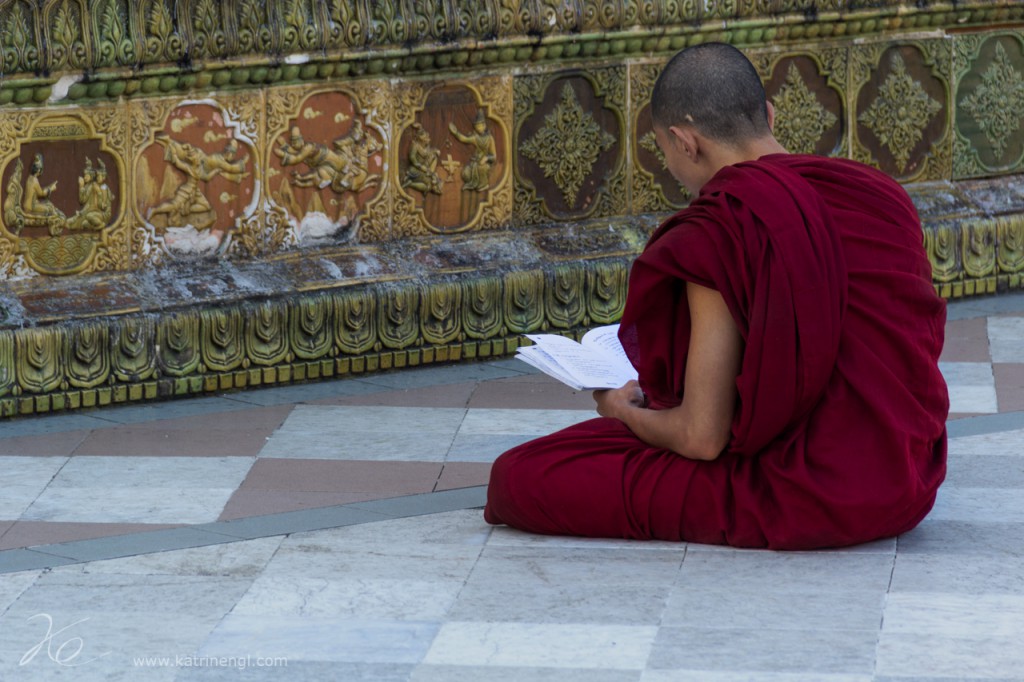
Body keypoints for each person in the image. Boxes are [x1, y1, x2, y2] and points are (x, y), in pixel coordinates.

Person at [484, 43, 949, 550]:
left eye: (665, 151)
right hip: (908, 479)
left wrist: (621, 410)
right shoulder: (879, 194)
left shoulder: (723, 226)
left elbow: (702, 439)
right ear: (768, 114)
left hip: (811, 494)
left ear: (686, 142)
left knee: (519, 476)